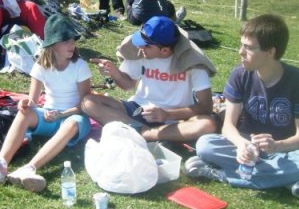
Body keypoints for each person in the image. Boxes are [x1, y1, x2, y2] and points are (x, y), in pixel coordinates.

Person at [186, 14, 299, 201]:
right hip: (245, 148)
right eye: (241, 45)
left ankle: (223, 175)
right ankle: (286, 180)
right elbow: (228, 126)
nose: (240, 52)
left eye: (249, 48)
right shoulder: (240, 74)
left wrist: (276, 146)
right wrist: (242, 144)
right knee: (204, 145)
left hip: (282, 152)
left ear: (270, 52)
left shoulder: (297, 80)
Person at [0, 13, 92, 192]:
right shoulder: (40, 66)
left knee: (71, 124)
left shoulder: (80, 66)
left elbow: (85, 104)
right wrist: (25, 102)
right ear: (53, 45)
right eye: (66, 41)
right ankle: (0, 164)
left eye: (72, 41)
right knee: (24, 112)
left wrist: (62, 114)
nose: (71, 45)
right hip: (49, 114)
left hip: (75, 117)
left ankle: (29, 168)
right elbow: (33, 100)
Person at [82, 15, 218, 144]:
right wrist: (115, 73)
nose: (140, 47)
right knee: (88, 102)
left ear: (164, 50)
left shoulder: (191, 62)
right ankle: (141, 130)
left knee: (207, 124)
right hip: (138, 110)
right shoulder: (140, 52)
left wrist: (167, 115)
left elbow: (206, 107)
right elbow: (128, 85)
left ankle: (145, 133)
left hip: (175, 118)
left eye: (146, 45)